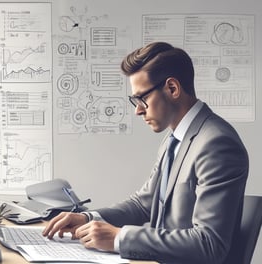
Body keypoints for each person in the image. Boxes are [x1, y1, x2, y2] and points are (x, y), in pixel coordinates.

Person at [43, 42, 249, 264]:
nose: (138, 110)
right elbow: (144, 204)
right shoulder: (174, 139)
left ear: (172, 88)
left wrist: (119, 238)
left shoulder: (217, 143)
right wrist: (87, 218)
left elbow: (209, 243)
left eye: (142, 98)